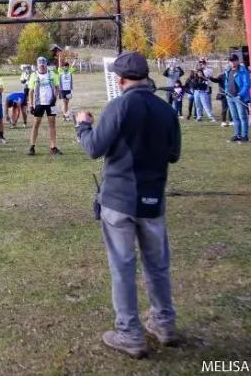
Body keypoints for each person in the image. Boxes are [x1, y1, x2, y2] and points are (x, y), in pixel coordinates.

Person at [74, 51, 181, 359]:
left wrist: (82, 126)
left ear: (119, 80)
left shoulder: (118, 106)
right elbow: (173, 154)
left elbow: (94, 148)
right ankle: (165, 323)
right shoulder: (165, 110)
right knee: (157, 265)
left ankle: (130, 333)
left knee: (123, 266)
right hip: (153, 200)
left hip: (119, 201)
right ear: (146, 77)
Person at [28, 57, 62, 156]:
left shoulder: (52, 74)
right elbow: (30, 91)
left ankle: (53, 147)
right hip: (39, 103)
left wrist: (54, 98)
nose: (42, 66)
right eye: (40, 65)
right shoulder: (34, 75)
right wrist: (30, 105)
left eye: (43, 64)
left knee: (52, 125)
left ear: (46, 65)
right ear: (37, 65)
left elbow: (57, 88)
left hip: (51, 104)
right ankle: (32, 147)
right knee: (36, 125)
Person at [224, 54, 251, 143]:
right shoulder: (228, 71)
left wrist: (241, 94)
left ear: (237, 61)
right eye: (230, 61)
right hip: (230, 97)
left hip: (239, 97)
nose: (232, 63)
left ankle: (244, 136)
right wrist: (226, 91)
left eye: (234, 61)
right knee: (235, 117)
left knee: (242, 117)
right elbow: (226, 83)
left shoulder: (243, 71)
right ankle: (237, 134)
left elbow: (247, 84)